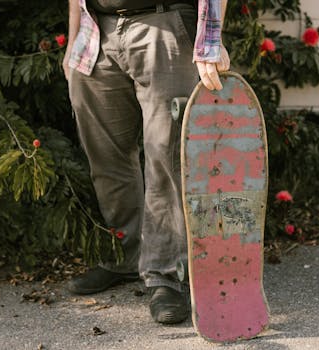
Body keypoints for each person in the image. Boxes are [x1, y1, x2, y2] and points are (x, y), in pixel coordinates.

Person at [62, 0, 230, 324]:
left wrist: (211, 41)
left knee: (166, 157)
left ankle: (167, 275)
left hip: (164, 22)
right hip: (97, 31)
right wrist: (73, 41)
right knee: (106, 158)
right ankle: (126, 256)